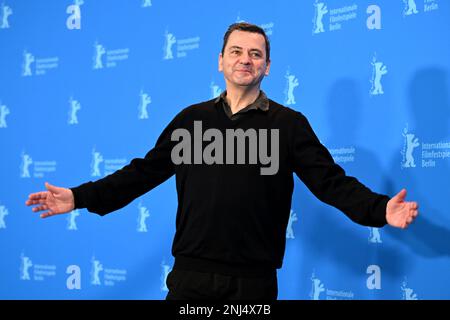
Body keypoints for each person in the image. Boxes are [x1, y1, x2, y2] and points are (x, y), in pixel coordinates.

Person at [25, 22, 419, 300]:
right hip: (190, 278)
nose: (245, 59)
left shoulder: (288, 125)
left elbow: (330, 182)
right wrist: (79, 197)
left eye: (255, 53)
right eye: (236, 51)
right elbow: (142, 173)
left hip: (252, 283)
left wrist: (380, 209)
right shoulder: (191, 120)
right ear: (220, 61)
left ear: (266, 66)